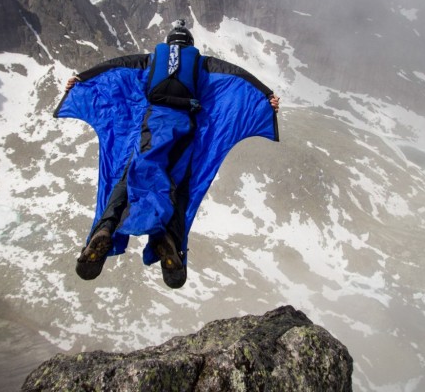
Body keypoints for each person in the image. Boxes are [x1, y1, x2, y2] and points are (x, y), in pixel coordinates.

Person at [56, 19, 279, 288]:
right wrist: (267, 97)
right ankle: (170, 240)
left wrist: (80, 80)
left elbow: (114, 68)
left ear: (169, 41)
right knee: (178, 185)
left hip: (150, 125)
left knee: (129, 177)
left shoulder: (150, 61)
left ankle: (104, 228)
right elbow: (238, 78)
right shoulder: (203, 64)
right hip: (184, 127)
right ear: (190, 44)